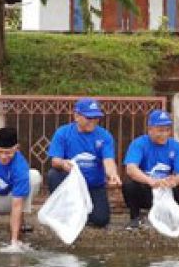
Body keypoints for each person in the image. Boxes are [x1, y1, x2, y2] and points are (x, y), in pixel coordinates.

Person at [46, 98, 122, 229]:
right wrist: (64, 164)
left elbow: (108, 160)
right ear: (76, 116)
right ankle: (65, 211)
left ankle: (83, 212)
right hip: (72, 185)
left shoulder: (104, 136)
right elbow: (55, 160)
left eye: (96, 118)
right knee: (54, 174)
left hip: (94, 185)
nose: (93, 122)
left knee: (101, 219)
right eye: (89, 118)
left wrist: (113, 175)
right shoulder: (63, 133)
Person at [123, 109, 179, 230]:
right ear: (150, 129)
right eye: (160, 130)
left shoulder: (176, 146)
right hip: (146, 188)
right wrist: (150, 181)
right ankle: (135, 217)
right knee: (129, 186)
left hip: (165, 189)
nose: (164, 134)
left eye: (167, 130)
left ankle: (170, 216)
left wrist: (173, 181)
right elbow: (131, 168)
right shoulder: (139, 144)